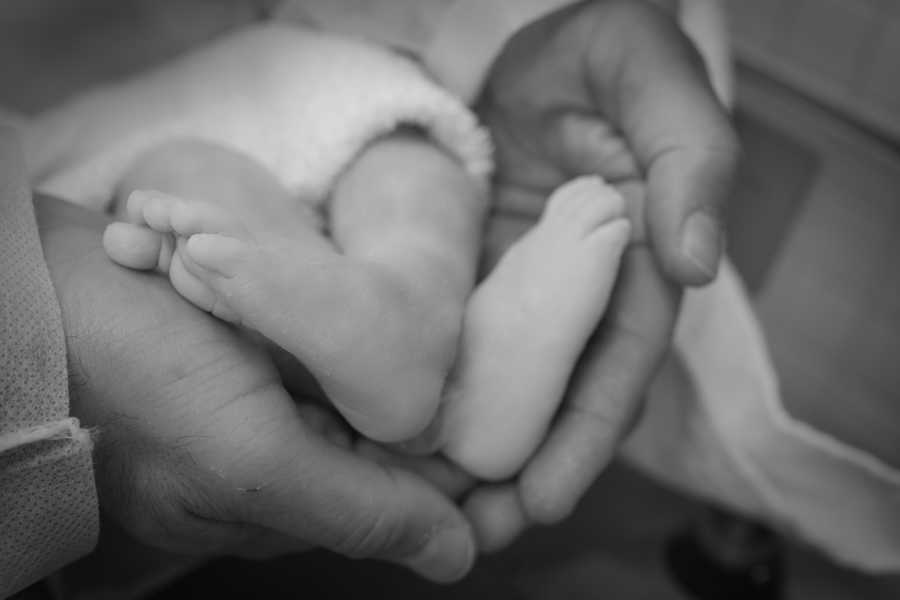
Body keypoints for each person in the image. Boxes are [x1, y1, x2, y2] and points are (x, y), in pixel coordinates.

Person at [3, 1, 741, 597]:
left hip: (266, 58)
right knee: (390, 171)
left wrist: (528, 23)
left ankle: (397, 333)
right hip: (53, 181)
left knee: (328, 163)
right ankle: (421, 325)